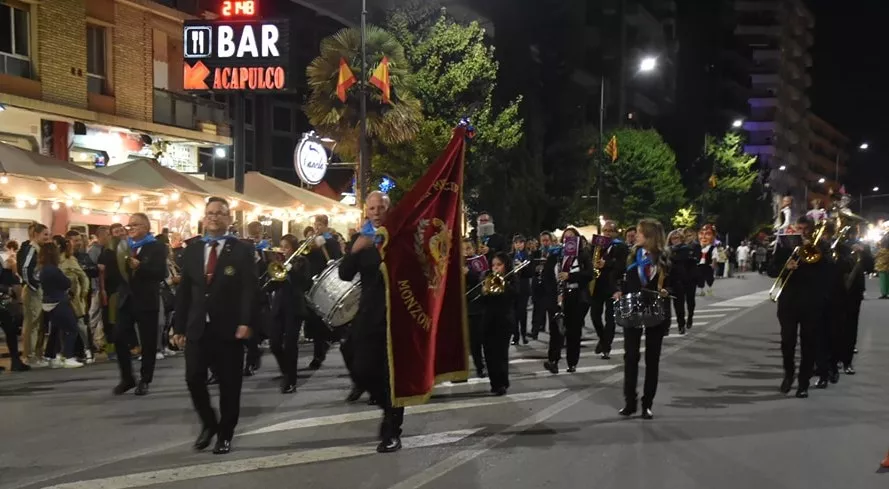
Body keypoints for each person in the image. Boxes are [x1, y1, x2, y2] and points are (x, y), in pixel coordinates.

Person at [173, 197, 258, 455]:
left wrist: (246, 322)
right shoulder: (192, 250)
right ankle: (209, 423)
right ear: (204, 217)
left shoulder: (242, 250)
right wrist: (178, 327)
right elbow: (184, 292)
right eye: (209, 213)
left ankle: (225, 434)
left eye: (219, 213)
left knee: (230, 385)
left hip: (229, 328)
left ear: (229, 219)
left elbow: (249, 291)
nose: (213, 217)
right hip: (198, 327)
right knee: (193, 378)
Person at [339, 191, 403, 453]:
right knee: (361, 368)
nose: (376, 212)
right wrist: (354, 251)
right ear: (366, 211)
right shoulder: (360, 238)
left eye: (381, 208)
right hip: (367, 313)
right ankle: (385, 405)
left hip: (395, 314)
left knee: (392, 375)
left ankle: (392, 429)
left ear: (388, 210)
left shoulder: (398, 236)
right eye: (372, 208)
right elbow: (345, 274)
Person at [614, 218, 674, 420]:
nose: (635, 235)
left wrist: (667, 290)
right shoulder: (632, 255)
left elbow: (677, 283)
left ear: (649, 236)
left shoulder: (664, 258)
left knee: (652, 359)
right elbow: (621, 279)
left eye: (639, 232)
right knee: (630, 357)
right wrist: (618, 291)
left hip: (656, 311)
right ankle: (629, 401)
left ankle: (647, 404)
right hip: (633, 309)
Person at [768, 216, 830, 399]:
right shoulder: (784, 246)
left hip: (812, 301)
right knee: (787, 341)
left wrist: (812, 248)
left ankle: (803, 383)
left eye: (805, 228)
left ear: (811, 229)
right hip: (789, 300)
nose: (802, 231)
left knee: (809, 343)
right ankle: (788, 373)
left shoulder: (821, 246)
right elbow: (771, 270)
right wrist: (785, 266)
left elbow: (827, 270)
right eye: (799, 228)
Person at [112, 213, 167, 396]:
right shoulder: (125, 246)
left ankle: (145, 379)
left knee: (148, 342)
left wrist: (140, 267)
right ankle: (127, 378)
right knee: (119, 336)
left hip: (146, 300)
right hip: (127, 299)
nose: (131, 228)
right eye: (129, 225)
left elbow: (161, 273)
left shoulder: (156, 247)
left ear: (145, 226)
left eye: (134, 225)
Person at [543, 227, 593, 374]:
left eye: (572, 237)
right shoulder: (555, 255)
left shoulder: (583, 255)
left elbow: (589, 274)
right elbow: (547, 276)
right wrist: (553, 294)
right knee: (555, 330)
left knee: (573, 331)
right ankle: (553, 360)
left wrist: (570, 276)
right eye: (566, 237)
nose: (568, 240)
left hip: (575, 296)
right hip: (557, 297)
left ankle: (572, 362)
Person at [267, 234, 312, 394]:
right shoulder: (279, 262)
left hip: (295, 306)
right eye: (282, 246)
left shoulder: (301, 261)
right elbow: (272, 285)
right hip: (279, 306)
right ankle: (286, 370)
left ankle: (290, 380)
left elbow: (306, 283)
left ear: (293, 247)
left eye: (286, 247)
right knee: (274, 343)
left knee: (291, 345)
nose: (284, 250)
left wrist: (291, 271)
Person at [304, 214, 343, 369]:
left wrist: (324, 245)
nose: (316, 227)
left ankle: (324, 346)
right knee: (315, 320)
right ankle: (318, 353)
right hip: (313, 284)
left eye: (319, 224)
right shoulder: (312, 241)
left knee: (326, 319)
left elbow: (336, 259)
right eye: (315, 224)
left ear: (325, 225)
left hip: (328, 284)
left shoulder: (332, 241)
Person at [37, 240, 83, 368]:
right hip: (59, 301)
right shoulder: (54, 270)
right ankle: (68, 356)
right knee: (72, 328)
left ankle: (53, 356)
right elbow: (66, 283)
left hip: (47, 302)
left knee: (56, 330)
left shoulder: (43, 269)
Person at [589, 220, 629, 358]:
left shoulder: (621, 246)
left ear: (615, 232)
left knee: (610, 318)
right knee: (594, 315)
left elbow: (623, 265)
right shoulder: (597, 245)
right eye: (605, 230)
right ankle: (603, 339)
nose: (607, 233)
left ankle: (607, 345)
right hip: (597, 285)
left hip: (612, 286)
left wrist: (607, 263)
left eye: (610, 231)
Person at [480, 251, 518, 395]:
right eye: (493, 265)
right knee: (489, 353)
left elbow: (515, 295)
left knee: (501, 352)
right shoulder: (486, 276)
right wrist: (483, 290)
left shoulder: (511, 278)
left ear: (506, 265)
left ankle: (502, 382)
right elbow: (482, 300)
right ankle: (494, 383)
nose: (495, 268)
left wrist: (503, 282)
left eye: (499, 265)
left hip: (504, 320)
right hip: (488, 319)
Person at [55, 235, 93, 365]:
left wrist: (83, 293)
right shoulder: (53, 261)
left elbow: (83, 277)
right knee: (61, 326)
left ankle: (88, 350)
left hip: (74, 297)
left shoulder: (70, 259)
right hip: (59, 297)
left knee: (80, 325)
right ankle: (65, 353)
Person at [19, 223, 51, 367]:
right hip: (33, 291)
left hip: (39, 290)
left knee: (39, 324)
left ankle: (37, 355)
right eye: (45, 234)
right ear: (36, 234)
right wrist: (33, 286)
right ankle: (29, 356)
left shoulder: (40, 250)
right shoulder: (32, 249)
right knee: (32, 325)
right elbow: (25, 269)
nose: (47, 237)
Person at [463, 238, 487, 378]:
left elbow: (483, 278)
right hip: (461, 306)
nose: (466, 252)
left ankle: (480, 366)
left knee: (476, 340)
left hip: (475, 306)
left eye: (469, 248)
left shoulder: (479, 261)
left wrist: (468, 273)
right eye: (463, 249)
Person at [667, 229, 695, 335]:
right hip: (668, 280)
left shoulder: (685, 248)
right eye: (672, 238)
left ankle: (681, 325)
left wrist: (669, 256)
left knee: (679, 305)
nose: (675, 240)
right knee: (665, 306)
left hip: (680, 279)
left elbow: (678, 259)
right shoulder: (667, 249)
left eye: (677, 238)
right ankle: (666, 326)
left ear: (681, 239)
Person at [509, 235, 532, 345]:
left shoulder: (528, 256)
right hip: (513, 288)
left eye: (521, 242)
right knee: (513, 313)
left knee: (522, 312)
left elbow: (530, 273)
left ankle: (523, 334)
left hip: (523, 287)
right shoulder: (511, 256)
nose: (518, 245)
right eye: (516, 243)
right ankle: (515, 335)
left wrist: (523, 266)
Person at [875, 235, 889, 299]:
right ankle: (886, 293)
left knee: (883, 281)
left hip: (882, 268)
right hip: (886, 268)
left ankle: (884, 294)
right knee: (886, 281)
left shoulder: (881, 251)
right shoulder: (886, 251)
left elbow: (876, 256)